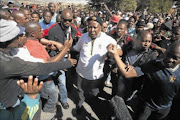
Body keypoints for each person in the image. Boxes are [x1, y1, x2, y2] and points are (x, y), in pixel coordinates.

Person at [0, 19, 76, 119]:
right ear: (8, 39)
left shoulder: (12, 50)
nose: (22, 37)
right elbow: (42, 68)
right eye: (18, 35)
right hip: (9, 105)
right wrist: (67, 62)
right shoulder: (8, 63)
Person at [107, 37, 180, 120]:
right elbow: (128, 73)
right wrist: (115, 55)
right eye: (169, 54)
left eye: (175, 58)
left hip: (163, 110)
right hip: (146, 106)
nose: (170, 59)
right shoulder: (154, 65)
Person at [72, 16, 122, 114]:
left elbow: (120, 51)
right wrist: (66, 48)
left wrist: (113, 52)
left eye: (95, 27)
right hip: (81, 72)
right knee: (80, 92)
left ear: (100, 27)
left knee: (94, 95)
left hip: (96, 76)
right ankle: (80, 104)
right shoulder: (83, 37)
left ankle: (94, 109)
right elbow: (76, 48)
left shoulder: (107, 39)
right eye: (90, 27)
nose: (92, 30)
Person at [48, 8, 77, 109]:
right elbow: (49, 47)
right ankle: (50, 100)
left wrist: (68, 56)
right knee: (52, 81)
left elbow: (71, 46)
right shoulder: (53, 30)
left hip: (66, 59)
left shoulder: (73, 30)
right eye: (65, 20)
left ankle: (63, 100)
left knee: (62, 81)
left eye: (70, 20)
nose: (67, 22)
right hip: (55, 59)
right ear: (61, 18)